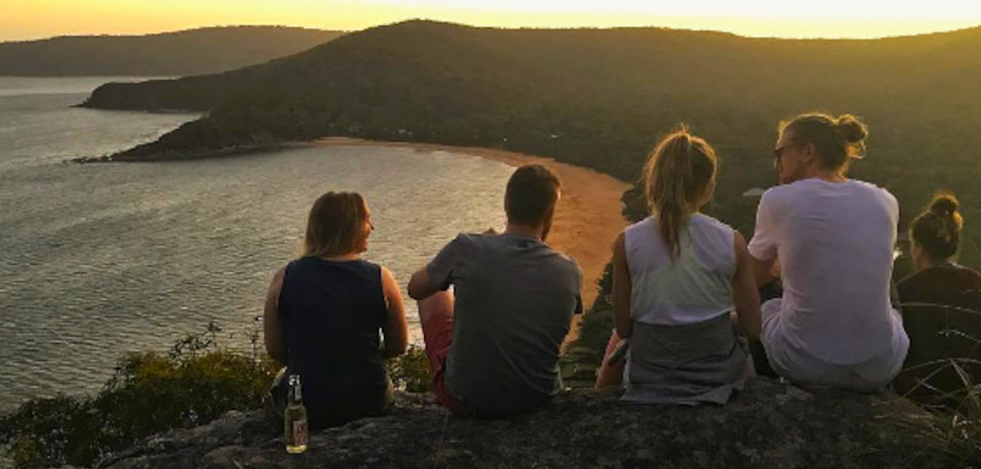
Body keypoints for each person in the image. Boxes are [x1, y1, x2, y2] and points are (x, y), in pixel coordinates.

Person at [595, 128, 761, 405]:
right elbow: (753, 328)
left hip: (650, 378)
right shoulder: (731, 241)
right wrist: (720, 320)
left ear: (654, 182)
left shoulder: (628, 242)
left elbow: (623, 328)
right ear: (708, 186)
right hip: (717, 377)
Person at [407, 164, 583, 417]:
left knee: (435, 291)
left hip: (466, 398)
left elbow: (415, 288)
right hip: (538, 399)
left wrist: (476, 251)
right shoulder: (569, 270)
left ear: (507, 204)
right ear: (549, 213)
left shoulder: (467, 247)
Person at [748, 113, 908, 391]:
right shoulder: (885, 200)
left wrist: (777, 269)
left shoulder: (778, 199)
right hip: (881, 364)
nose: (777, 163)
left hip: (806, 364)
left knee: (764, 300)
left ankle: (769, 386)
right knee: (887, 287)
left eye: (780, 152)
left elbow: (751, 278)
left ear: (807, 152)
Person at [263, 191, 407, 429]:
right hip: (368, 399)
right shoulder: (382, 279)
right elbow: (398, 346)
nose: (372, 227)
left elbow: (275, 349)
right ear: (349, 227)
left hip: (307, 402)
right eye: (366, 219)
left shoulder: (284, 277)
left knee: (281, 380)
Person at [895, 194, 981, 406]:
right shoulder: (976, 281)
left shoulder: (906, 290)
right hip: (972, 393)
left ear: (919, 249)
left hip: (919, 395)